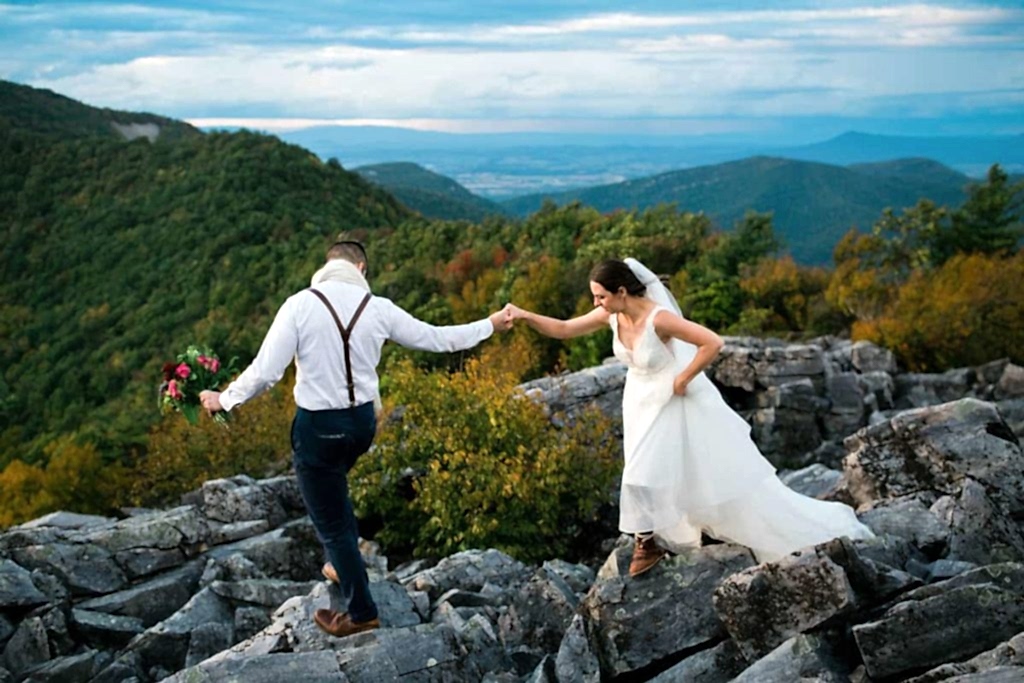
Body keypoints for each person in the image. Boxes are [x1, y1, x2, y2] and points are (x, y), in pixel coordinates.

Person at [200, 239, 513, 637]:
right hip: (362, 426)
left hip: (318, 428)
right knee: (335, 494)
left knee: (329, 518)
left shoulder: (299, 305)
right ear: (361, 269)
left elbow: (266, 372)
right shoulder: (377, 308)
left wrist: (223, 400)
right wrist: (490, 324)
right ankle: (340, 562)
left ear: (326, 266)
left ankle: (361, 611)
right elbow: (438, 338)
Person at [505, 257, 873, 577]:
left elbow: (712, 342)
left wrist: (683, 377)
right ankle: (669, 533)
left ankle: (645, 544)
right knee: (662, 467)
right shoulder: (611, 316)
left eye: (600, 295)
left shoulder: (659, 319)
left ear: (621, 291)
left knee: (639, 474)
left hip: (670, 398)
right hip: (638, 400)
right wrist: (524, 316)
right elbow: (565, 329)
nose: (596, 302)